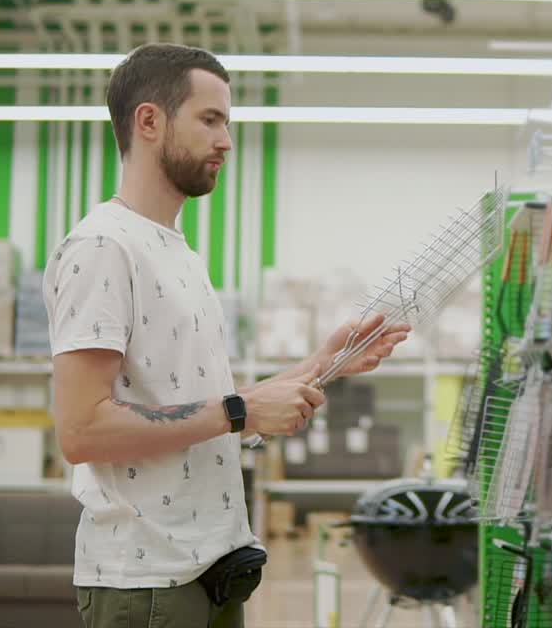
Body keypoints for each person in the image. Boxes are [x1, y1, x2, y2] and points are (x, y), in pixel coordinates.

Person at [44, 43, 410, 628]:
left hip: (210, 570)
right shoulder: (103, 247)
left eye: (227, 123)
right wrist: (239, 410)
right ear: (149, 121)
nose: (226, 142)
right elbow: (82, 429)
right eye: (210, 120)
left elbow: (210, 409)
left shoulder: (178, 251)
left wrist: (325, 360)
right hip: (147, 586)